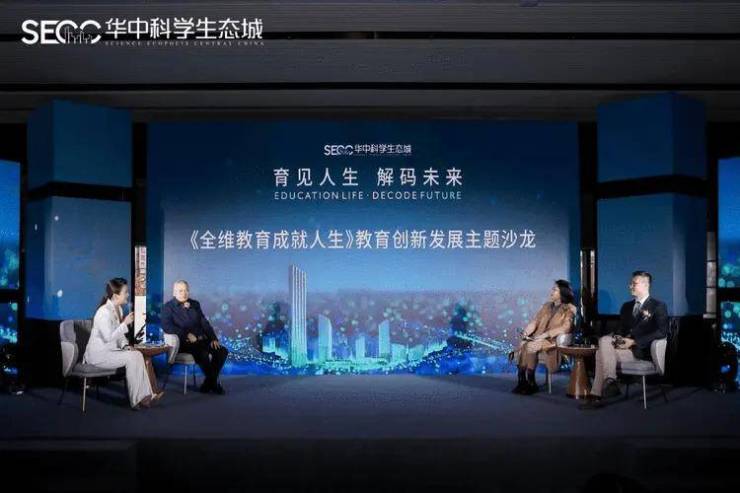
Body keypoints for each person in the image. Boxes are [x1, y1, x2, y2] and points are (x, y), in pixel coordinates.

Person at [580, 270, 668, 410]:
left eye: (634, 283)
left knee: (599, 353)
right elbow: (620, 330)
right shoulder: (626, 306)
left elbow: (662, 332)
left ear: (646, 285)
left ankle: (598, 394)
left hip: (641, 352)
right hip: (624, 350)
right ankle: (610, 381)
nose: (630, 286)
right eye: (630, 283)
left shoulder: (658, 306)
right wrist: (618, 338)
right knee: (604, 341)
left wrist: (634, 342)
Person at [83, 278, 163, 409]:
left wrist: (126, 346)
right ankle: (138, 399)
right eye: (125, 292)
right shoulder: (103, 312)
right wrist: (125, 323)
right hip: (98, 355)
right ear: (116, 296)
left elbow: (119, 336)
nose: (128, 294)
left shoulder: (118, 309)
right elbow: (108, 337)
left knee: (136, 354)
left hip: (110, 352)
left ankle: (144, 396)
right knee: (132, 357)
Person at [161, 280, 228, 394]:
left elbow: (204, 323)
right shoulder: (168, 307)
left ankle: (208, 383)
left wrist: (213, 338)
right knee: (203, 354)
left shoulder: (195, 304)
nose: (184, 293)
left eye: (186, 290)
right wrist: (186, 334)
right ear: (174, 292)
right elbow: (167, 327)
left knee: (222, 351)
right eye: (180, 291)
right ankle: (213, 384)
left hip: (201, 340)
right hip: (183, 343)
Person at [511, 280, 577, 395]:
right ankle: (522, 380)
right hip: (538, 338)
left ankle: (531, 382)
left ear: (562, 292)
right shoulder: (546, 306)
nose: (551, 291)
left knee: (530, 346)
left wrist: (545, 335)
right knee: (525, 344)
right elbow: (535, 322)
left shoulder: (569, 308)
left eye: (555, 290)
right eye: (552, 289)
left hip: (553, 342)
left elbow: (566, 328)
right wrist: (525, 333)